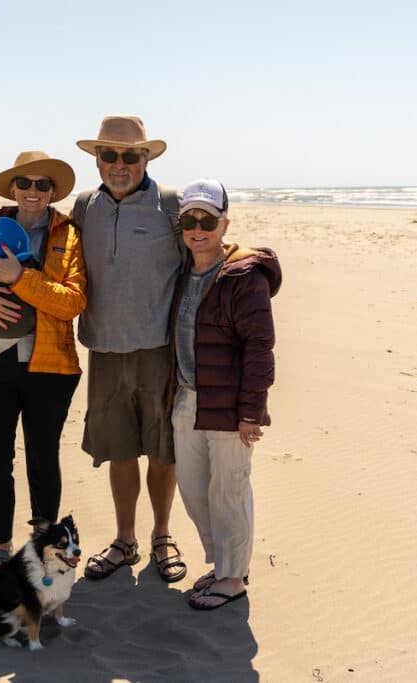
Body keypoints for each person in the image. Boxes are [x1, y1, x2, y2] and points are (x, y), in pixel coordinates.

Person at [0, 150, 86, 589]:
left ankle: (46, 551)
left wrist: (19, 276)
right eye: (25, 183)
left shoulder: (69, 237)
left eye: (44, 185)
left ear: (53, 193)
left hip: (48, 366)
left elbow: (73, 301)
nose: (33, 192)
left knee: (43, 460)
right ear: (12, 188)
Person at [73, 115, 188, 583]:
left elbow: (206, 252)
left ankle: (162, 535)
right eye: (109, 155)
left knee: (164, 451)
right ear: (97, 160)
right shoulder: (84, 207)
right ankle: (125, 538)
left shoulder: (171, 205)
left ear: (146, 158)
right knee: (119, 450)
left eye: (130, 155)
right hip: (103, 350)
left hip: (159, 351)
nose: (119, 165)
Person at [168, 179, 281, 610]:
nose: (198, 230)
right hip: (187, 398)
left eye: (208, 221)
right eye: (189, 221)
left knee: (229, 491)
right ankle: (222, 565)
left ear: (224, 223)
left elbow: (259, 346)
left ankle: (233, 578)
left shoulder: (244, 277)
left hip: (229, 405)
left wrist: (251, 411)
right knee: (194, 489)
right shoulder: (183, 271)